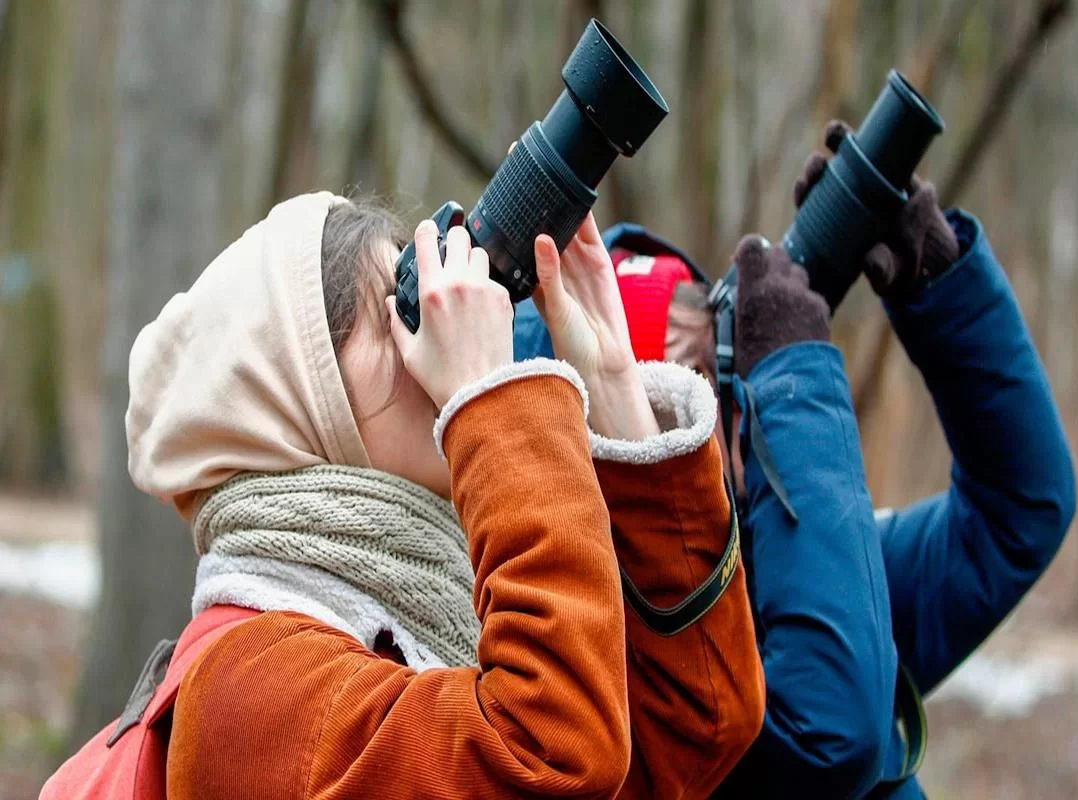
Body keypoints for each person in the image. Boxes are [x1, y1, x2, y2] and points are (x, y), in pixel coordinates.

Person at [53, 193, 763, 799]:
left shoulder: (444, 610)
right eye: (399, 317)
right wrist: (497, 405)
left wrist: (611, 384)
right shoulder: (244, 693)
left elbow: (700, 725)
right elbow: (554, 760)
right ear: (301, 403)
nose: (434, 341)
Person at [514, 122, 1077, 798]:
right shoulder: (619, 682)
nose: (724, 414)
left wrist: (939, 285)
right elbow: (826, 736)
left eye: (719, 367)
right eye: (674, 396)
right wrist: (794, 380)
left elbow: (1019, 511)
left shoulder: (775, 563)